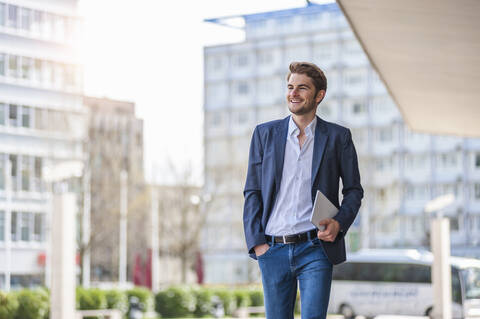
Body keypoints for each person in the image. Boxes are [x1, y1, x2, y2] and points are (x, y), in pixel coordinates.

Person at [243, 61, 363, 319]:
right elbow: (252, 190)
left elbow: (353, 190)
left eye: (302, 88)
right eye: (290, 87)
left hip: (315, 248)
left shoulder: (337, 137)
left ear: (319, 95)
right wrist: (257, 243)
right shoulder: (265, 134)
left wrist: (339, 223)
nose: (293, 93)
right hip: (272, 249)